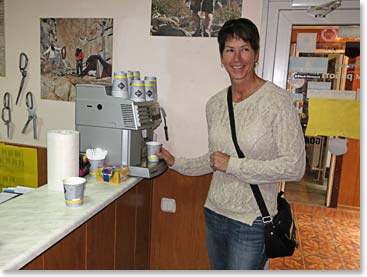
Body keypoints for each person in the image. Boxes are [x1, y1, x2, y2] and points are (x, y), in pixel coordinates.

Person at [156, 18, 305, 270]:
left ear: (256, 54)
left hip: (252, 221)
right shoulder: (214, 104)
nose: (238, 58)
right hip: (214, 212)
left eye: (245, 49)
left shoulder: (277, 101)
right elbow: (215, 160)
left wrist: (234, 165)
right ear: (221, 57)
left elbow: (295, 167)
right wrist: (175, 162)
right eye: (230, 50)